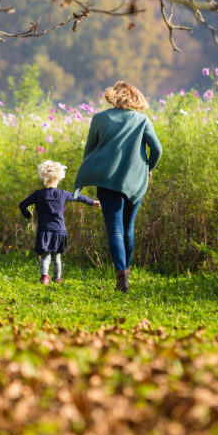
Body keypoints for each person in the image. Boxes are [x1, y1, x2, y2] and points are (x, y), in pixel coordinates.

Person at [73, 81, 162, 294]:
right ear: (135, 98)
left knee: (115, 230)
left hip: (107, 181)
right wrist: (148, 168)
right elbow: (157, 149)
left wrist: (93, 172)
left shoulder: (99, 119)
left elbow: (89, 152)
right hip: (136, 182)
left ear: (111, 96)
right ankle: (125, 274)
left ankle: (121, 278)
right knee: (128, 227)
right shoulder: (142, 120)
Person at [19, 160, 100, 285]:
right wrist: (93, 202)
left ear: (43, 177)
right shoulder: (63, 194)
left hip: (44, 230)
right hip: (59, 231)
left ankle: (44, 277)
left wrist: (28, 215)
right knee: (56, 257)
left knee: (45, 256)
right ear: (59, 177)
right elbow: (77, 196)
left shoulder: (38, 194)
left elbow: (22, 205)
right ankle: (57, 279)